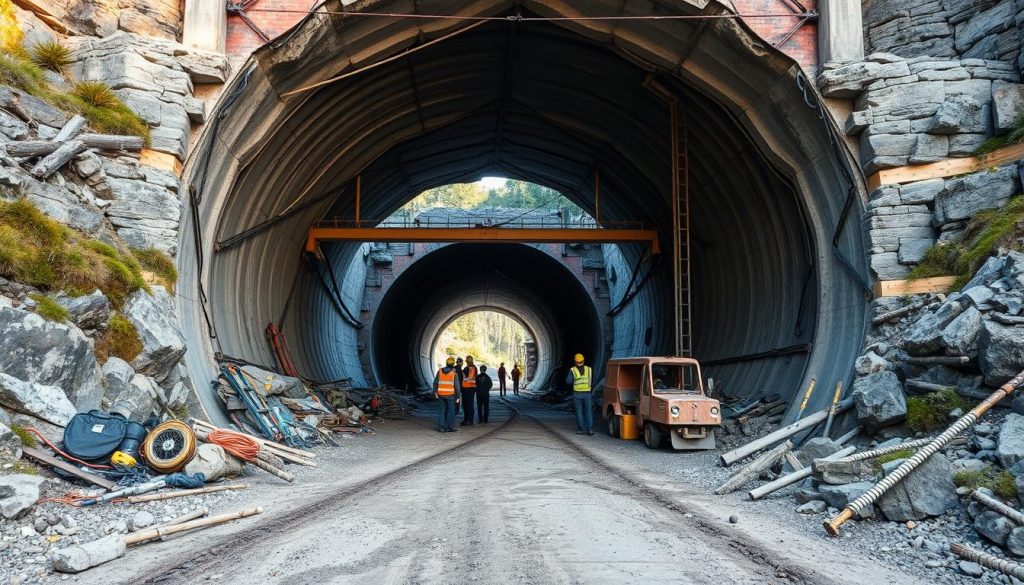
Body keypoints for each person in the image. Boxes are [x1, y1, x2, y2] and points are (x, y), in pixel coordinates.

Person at [565, 353, 593, 435]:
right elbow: (592, 381)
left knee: (579, 411)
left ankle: (580, 430)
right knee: (588, 411)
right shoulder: (589, 369)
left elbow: (568, 381)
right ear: (583, 361)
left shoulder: (573, 370)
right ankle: (590, 429)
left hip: (577, 394)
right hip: (587, 393)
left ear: (575, 361)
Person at [433, 357, 461, 432]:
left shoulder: (440, 371)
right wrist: (458, 396)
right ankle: (449, 426)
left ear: (446, 363)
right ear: (453, 364)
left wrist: (435, 392)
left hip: (440, 394)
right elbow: (457, 387)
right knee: (451, 411)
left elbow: (435, 382)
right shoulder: (454, 374)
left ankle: (442, 427)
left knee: (442, 410)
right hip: (450, 395)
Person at [461, 355, 478, 426]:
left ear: (467, 361)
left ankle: (469, 420)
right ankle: (467, 420)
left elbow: (469, 377)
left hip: (467, 388)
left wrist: (464, 379)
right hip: (471, 388)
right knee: (468, 405)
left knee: (467, 405)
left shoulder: (469, 368)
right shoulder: (474, 368)